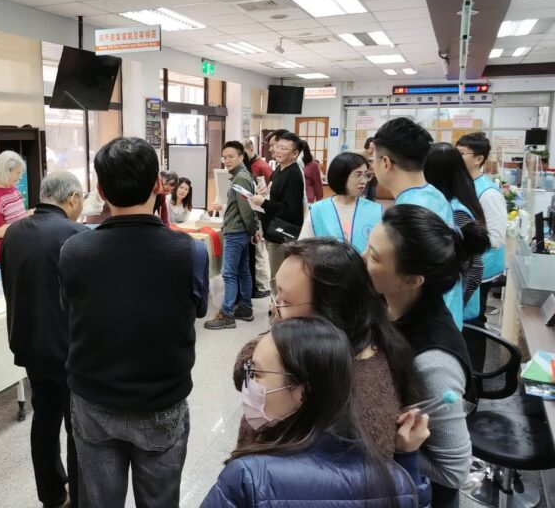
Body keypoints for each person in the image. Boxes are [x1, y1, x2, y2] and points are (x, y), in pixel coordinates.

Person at [59, 137, 209, 508]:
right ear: (159, 185)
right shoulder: (190, 251)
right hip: (161, 399)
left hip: (94, 398)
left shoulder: (74, 250)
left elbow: (70, 309)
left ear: (100, 189)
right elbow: (199, 309)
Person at [203, 317, 429, 508]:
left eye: (256, 373)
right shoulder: (397, 481)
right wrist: (407, 459)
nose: (249, 383)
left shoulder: (247, 478)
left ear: (302, 393)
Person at [233, 238, 419, 459]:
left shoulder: (357, 403)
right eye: (276, 294)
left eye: (286, 301)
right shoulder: (300, 347)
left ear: (330, 312)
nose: (274, 307)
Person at [364, 204, 475, 508]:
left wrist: (385, 441)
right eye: (367, 247)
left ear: (412, 280)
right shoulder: (385, 304)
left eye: (374, 257)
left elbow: (453, 472)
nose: (362, 259)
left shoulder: (433, 364)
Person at [0, 172, 88, 508]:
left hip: (29, 343)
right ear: (73, 198)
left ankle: (51, 494)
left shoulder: (14, 232)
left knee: (45, 420)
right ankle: (79, 494)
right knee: (77, 426)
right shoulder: (77, 235)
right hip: (68, 346)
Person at [372, 117, 464, 328]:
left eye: (373, 160)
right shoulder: (434, 195)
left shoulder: (409, 212)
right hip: (444, 317)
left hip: (422, 326)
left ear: (385, 163)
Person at [424, 142, 491, 322]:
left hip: (453, 309)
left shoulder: (456, 210)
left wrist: (458, 304)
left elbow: (475, 267)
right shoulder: (454, 200)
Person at [206, 142, 259, 329]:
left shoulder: (240, 178)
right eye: (224, 157)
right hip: (240, 231)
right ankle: (245, 308)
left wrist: (253, 230)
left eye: (231, 156)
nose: (226, 160)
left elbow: (246, 210)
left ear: (241, 157)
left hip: (236, 232)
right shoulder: (241, 176)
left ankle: (227, 314)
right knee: (243, 271)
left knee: (229, 274)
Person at [457, 132, 508, 325]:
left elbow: (496, 238)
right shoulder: (465, 185)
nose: (456, 158)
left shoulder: (488, 193)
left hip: (481, 269)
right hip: (467, 265)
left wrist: (465, 243)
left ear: (478, 159)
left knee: (474, 319)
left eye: (462, 153)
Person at [299, 152, 382, 253]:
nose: (364, 181)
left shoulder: (376, 210)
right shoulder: (318, 210)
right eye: (358, 175)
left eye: (366, 175)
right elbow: (303, 248)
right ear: (341, 176)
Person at [252, 132, 305, 278]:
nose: (278, 151)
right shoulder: (279, 169)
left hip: (282, 236)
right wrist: (265, 193)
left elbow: (290, 210)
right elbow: (276, 197)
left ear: (295, 154)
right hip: (272, 231)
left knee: (278, 279)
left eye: (284, 148)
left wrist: (264, 203)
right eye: (278, 146)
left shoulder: (293, 175)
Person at [0, 150, 29, 274]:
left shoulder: (12, 189)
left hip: (15, 252)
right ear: (5, 172)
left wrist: (29, 215)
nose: (20, 177)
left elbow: (16, 217)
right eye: (17, 173)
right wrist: (25, 222)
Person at [243, 140, 271, 298]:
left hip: (260, 215)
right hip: (252, 213)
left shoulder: (262, 166)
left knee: (259, 253)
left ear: (251, 149)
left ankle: (263, 286)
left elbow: (268, 192)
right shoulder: (248, 166)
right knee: (254, 253)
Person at [364, 136, 379, 201]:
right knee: (364, 191)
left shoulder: (376, 154)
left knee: (372, 190)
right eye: (371, 146)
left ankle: (371, 202)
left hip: (374, 175)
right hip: (365, 175)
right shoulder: (363, 154)